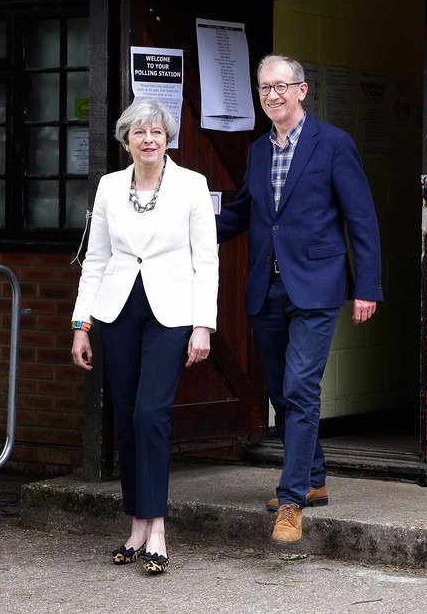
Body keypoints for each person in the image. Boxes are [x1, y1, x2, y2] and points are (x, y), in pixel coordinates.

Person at [216, 55, 382, 545]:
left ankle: (291, 501)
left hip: (318, 284)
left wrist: (367, 287)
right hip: (266, 287)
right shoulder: (257, 152)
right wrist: (184, 230)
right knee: (278, 391)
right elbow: (244, 212)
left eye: (281, 86)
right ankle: (313, 476)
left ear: (302, 90)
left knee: (301, 388)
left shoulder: (333, 144)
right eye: (265, 88)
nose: (273, 95)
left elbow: (362, 219)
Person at [70, 97, 218, 574]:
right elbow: (96, 259)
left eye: (156, 132)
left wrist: (203, 325)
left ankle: (157, 529)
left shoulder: (192, 185)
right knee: (129, 421)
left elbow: (206, 261)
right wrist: (81, 324)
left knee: (152, 414)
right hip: (116, 312)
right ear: (126, 140)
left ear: (167, 137)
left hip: (172, 313)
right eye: (139, 133)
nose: (149, 139)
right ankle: (135, 525)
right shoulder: (110, 187)